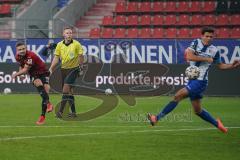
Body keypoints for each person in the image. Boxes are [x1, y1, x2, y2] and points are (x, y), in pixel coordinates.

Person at [148, 27, 240, 133]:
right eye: (207, 36)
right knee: (198, 111)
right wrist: (206, 58)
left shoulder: (214, 50)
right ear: (202, 36)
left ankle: (156, 118)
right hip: (192, 80)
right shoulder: (196, 43)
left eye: (211, 36)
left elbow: (221, 66)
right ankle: (217, 124)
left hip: (201, 81)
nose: (209, 38)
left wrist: (232, 65)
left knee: (178, 95)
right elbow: (190, 56)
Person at [12, 41, 54, 125]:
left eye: (23, 49)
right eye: (20, 49)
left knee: (46, 91)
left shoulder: (30, 56)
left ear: (26, 48)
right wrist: (20, 72)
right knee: (38, 83)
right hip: (33, 74)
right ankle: (48, 105)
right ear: (17, 51)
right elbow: (21, 65)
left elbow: (25, 70)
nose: (22, 51)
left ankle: (43, 115)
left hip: (43, 71)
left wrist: (16, 74)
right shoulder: (17, 57)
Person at [49, 27, 84, 118]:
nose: (69, 34)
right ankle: (73, 113)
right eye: (67, 33)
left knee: (65, 90)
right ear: (63, 34)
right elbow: (56, 58)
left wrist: (81, 68)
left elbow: (81, 56)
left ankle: (60, 112)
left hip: (74, 69)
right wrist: (51, 67)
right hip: (63, 69)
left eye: (70, 33)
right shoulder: (60, 45)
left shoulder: (76, 44)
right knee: (70, 92)